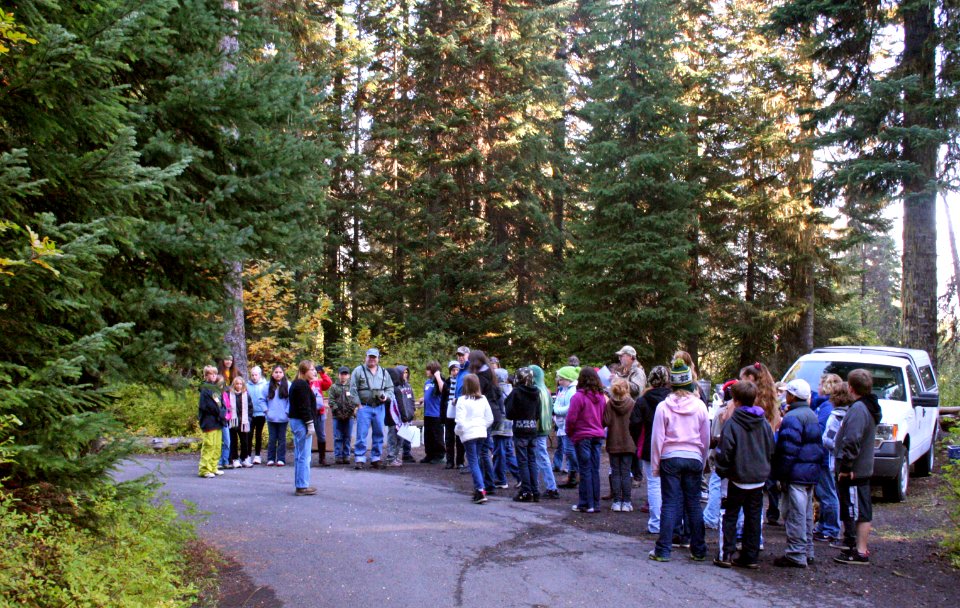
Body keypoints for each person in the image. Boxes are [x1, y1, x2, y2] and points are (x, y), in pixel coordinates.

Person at [649, 358, 709, 563]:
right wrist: (702, 460)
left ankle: (663, 550)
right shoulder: (700, 406)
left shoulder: (663, 407)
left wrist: (655, 466)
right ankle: (699, 549)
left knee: (670, 504)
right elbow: (705, 438)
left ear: (672, 384)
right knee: (693, 503)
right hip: (693, 457)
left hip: (670, 458)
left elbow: (657, 439)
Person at [713, 381, 775, 569]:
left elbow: (725, 451)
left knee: (730, 515)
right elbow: (771, 447)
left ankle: (726, 554)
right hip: (757, 478)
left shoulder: (732, 423)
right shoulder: (763, 423)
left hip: (737, 478)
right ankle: (750, 556)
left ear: (735, 400)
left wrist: (722, 470)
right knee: (753, 516)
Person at [772, 379, 824, 568]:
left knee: (795, 513)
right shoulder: (811, 414)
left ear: (792, 396)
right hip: (809, 472)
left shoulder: (793, 418)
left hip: (795, 473)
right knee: (807, 514)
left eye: (787, 393)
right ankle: (807, 550)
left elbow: (788, 449)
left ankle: (795, 552)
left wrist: (780, 473)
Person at [833, 369, 881, 565]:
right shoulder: (865, 407)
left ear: (851, 388)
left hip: (855, 471)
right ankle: (854, 545)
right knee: (854, 508)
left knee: (858, 510)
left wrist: (846, 465)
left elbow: (852, 440)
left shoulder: (859, 409)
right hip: (857, 469)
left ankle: (860, 551)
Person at [740, 362, 781, 525]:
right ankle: (756, 536)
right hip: (765, 451)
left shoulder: (752, 402)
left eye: (741, 379)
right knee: (756, 497)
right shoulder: (771, 400)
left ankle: (744, 531)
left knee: (745, 496)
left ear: (750, 378)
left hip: (749, 450)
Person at [635, 365, 671, 533]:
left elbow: (634, 423)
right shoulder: (672, 400)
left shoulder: (643, 400)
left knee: (654, 484)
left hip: (649, 444)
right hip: (670, 445)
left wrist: (637, 440)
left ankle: (656, 523)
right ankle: (670, 523)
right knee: (670, 485)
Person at [567, 367, 607, 513]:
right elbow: (604, 417)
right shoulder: (601, 397)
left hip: (583, 436)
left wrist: (570, 433)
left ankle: (585, 503)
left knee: (585, 470)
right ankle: (595, 504)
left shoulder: (578, 397)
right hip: (597, 435)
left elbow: (571, 419)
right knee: (594, 470)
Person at [350, 348, 394, 469]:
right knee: (361, 433)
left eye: (374, 357)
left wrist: (386, 397)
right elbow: (353, 389)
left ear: (378, 358)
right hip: (364, 407)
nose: (372, 359)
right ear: (366, 357)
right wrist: (358, 405)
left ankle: (376, 458)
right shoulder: (358, 371)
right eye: (370, 357)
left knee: (379, 432)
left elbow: (390, 388)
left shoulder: (384, 372)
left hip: (380, 407)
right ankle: (359, 458)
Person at [455, 373, 494, 504]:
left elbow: (460, 422)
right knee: (476, 460)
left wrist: (460, 432)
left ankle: (480, 489)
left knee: (473, 462)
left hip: (469, 434)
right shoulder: (483, 399)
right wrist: (482, 426)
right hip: (481, 433)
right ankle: (479, 487)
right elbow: (490, 418)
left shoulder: (462, 400)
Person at [813, 373, 843, 543]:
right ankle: (824, 526)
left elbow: (821, 431)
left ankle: (831, 528)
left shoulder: (827, 408)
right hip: (822, 456)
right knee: (823, 493)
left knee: (827, 494)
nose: (817, 387)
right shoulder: (823, 405)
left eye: (820, 384)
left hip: (825, 457)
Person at [506, 367, 541, 502]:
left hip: (520, 431)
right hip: (532, 430)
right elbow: (538, 413)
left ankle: (526, 491)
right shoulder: (536, 392)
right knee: (532, 460)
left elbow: (509, 413)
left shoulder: (516, 393)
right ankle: (535, 490)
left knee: (522, 461)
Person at [604, 378, 637, 512]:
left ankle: (617, 501)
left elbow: (605, 421)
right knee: (626, 472)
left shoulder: (609, 404)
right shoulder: (632, 404)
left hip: (613, 442)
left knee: (616, 472)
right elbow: (636, 422)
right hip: (629, 443)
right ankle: (627, 502)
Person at [288, 360, 318, 496]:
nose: (314, 371)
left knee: (300, 454)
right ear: (304, 371)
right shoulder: (301, 385)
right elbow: (304, 407)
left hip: (297, 421)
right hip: (301, 422)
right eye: (311, 369)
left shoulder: (300, 384)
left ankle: (301, 483)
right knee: (304, 455)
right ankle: (302, 485)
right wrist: (310, 423)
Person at [530, 365, 561, 499]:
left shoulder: (536, 390)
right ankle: (534, 485)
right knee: (538, 457)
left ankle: (551, 487)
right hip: (544, 427)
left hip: (538, 428)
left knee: (542, 457)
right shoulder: (544, 390)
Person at [491, 367, 520, 487]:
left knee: (499, 452)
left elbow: (497, 408)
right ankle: (519, 476)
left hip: (499, 425)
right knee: (508, 452)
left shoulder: (497, 391)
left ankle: (500, 479)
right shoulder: (511, 389)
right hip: (509, 424)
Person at [553, 366, 579, 488]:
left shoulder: (572, 391)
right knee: (568, 451)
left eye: (562, 379)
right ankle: (572, 476)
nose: (559, 381)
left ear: (568, 379)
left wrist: (556, 410)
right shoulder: (563, 390)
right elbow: (557, 403)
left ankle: (576, 473)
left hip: (569, 425)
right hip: (562, 424)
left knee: (570, 450)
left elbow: (569, 408)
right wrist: (556, 409)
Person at [198, 365, 226, 478]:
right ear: (206, 376)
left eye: (215, 373)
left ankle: (213, 467)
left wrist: (223, 412)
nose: (213, 376)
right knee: (209, 445)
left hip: (218, 421)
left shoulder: (216, 389)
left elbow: (222, 403)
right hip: (209, 421)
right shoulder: (205, 390)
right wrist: (220, 413)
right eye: (211, 374)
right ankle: (204, 469)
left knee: (217, 445)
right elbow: (209, 406)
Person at [328, 366, 358, 464]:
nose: (343, 376)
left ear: (349, 375)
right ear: (338, 375)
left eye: (345, 374)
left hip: (349, 416)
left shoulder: (352, 387)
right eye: (342, 374)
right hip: (337, 416)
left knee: (348, 436)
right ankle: (338, 456)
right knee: (338, 436)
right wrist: (337, 411)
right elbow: (331, 401)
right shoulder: (333, 387)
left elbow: (355, 400)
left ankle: (346, 455)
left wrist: (350, 411)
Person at [386, 366, 415, 466]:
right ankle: (391, 458)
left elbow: (410, 401)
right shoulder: (394, 389)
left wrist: (411, 413)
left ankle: (396, 457)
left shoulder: (408, 387)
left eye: (407, 372)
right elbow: (398, 404)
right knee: (393, 438)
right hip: (395, 418)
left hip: (405, 418)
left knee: (401, 439)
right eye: (403, 373)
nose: (405, 375)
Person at [440, 360, 464, 469]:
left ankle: (460, 461)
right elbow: (442, 400)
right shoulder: (447, 383)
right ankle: (449, 461)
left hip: (459, 413)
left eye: (457, 370)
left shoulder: (462, 382)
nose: (455, 372)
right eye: (453, 370)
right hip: (448, 413)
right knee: (449, 438)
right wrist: (442, 417)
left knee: (460, 438)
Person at [421, 361, 446, 464]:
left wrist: (438, 376)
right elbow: (428, 394)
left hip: (436, 414)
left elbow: (443, 390)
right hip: (427, 413)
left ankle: (440, 456)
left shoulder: (439, 381)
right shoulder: (427, 382)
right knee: (428, 436)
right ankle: (429, 454)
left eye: (429, 369)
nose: (427, 371)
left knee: (437, 436)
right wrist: (423, 399)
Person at [265, 365, 290, 466]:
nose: (278, 374)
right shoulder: (267, 386)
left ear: (283, 374)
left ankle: (281, 458)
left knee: (281, 438)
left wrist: (287, 411)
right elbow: (261, 399)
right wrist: (266, 410)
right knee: (272, 438)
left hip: (283, 417)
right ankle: (270, 458)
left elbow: (291, 400)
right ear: (272, 373)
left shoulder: (288, 385)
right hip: (271, 417)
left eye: (280, 372)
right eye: (276, 372)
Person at [226, 376, 253, 468]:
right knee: (233, 442)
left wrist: (248, 419)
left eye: (240, 384)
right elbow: (227, 407)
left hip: (243, 422)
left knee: (245, 441)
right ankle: (235, 459)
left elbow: (250, 408)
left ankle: (244, 458)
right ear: (234, 385)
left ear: (243, 385)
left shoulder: (246, 395)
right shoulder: (230, 394)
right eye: (237, 384)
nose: (239, 385)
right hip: (233, 422)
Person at [247, 366, 269, 464]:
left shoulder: (265, 384)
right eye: (252, 375)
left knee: (258, 434)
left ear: (260, 375)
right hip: (250, 414)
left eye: (256, 375)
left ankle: (257, 455)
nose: (254, 377)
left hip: (261, 413)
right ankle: (247, 455)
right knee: (249, 434)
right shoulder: (247, 385)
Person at [310, 373, 330, 467]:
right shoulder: (305, 384)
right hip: (309, 414)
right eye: (312, 375)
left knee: (321, 435)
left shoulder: (319, 383)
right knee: (307, 434)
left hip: (319, 413)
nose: (314, 377)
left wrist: (322, 373)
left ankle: (322, 458)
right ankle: (306, 457)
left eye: (315, 375)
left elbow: (328, 383)